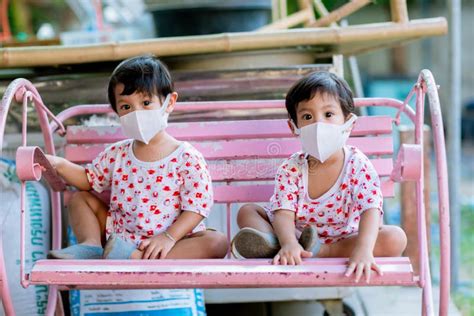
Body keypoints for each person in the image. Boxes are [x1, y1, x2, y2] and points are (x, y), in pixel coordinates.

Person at [46, 55, 228, 260]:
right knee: (80, 198)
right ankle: (92, 246)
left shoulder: (187, 158)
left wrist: (168, 237)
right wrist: (58, 164)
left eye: (146, 102)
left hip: (170, 241)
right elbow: (89, 180)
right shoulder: (117, 154)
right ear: (117, 112)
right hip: (119, 238)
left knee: (218, 242)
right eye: (126, 107)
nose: (136, 113)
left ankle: (136, 257)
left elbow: (197, 207)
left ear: (169, 102)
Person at [231, 71, 407, 282]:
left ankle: (320, 251)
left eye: (329, 115)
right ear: (293, 126)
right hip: (294, 234)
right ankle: (282, 246)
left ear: (348, 123)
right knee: (247, 212)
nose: (318, 124)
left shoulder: (358, 165)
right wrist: (289, 242)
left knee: (395, 238)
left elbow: (371, 211)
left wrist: (364, 249)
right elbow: (284, 215)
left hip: (342, 240)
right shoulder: (292, 168)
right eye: (307, 117)